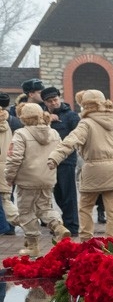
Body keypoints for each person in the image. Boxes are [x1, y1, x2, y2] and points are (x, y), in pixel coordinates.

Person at [47, 90, 113, 241]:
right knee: (112, 210)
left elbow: (71, 141)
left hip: (93, 169)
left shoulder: (86, 123)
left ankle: (86, 240)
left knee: (85, 207)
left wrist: (55, 157)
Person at [5, 103, 69, 257]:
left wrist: (9, 177)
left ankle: (32, 246)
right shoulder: (53, 133)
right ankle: (58, 226)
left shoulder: (21, 133)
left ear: (23, 117)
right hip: (47, 178)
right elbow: (60, 152)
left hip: (27, 180)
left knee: (26, 212)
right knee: (45, 208)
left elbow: (14, 159)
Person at [41, 86, 80, 236]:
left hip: (66, 161)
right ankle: (65, 222)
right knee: (57, 194)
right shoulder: (42, 116)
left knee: (68, 194)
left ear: (59, 98)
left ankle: (72, 226)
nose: (53, 103)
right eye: (50, 101)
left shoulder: (71, 116)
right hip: (50, 162)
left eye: (55, 99)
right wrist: (47, 121)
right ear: (45, 102)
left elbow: (77, 137)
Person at [0, 93, 15, 235]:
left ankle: (24, 222)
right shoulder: (8, 123)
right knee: (6, 199)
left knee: (5, 201)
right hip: (6, 164)